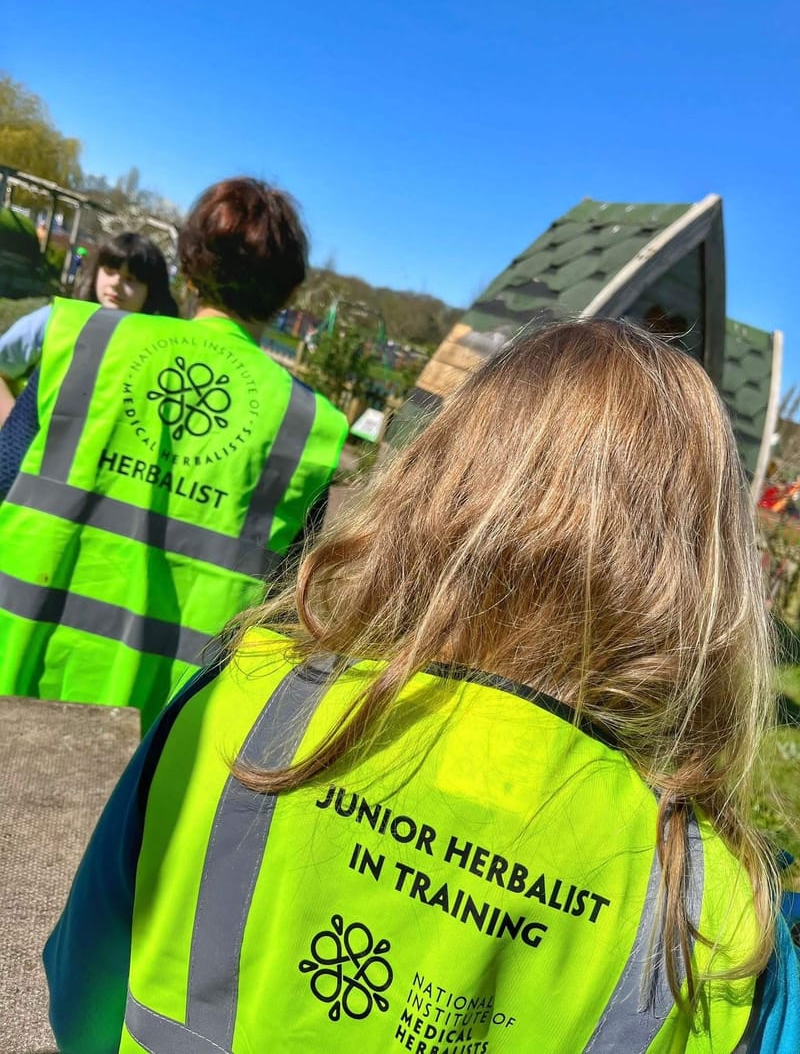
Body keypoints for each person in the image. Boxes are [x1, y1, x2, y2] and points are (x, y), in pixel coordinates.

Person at [44, 320, 799, 1051]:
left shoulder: (239, 706)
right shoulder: (723, 915)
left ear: (439, 483)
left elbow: (81, 1002)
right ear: (702, 575)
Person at [0, 178, 348, 730]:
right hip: (163, 735)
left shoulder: (88, 341)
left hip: (14, 673)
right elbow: (284, 608)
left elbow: (5, 479)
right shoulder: (307, 425)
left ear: (187, 268)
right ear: (286, 296)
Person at [0, 232, 177, 423]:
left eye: (131, 279)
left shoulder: (159, 349)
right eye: (110, 271)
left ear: (152, 291)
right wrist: (14, 430)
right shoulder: (54, 320)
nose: (116, 283)